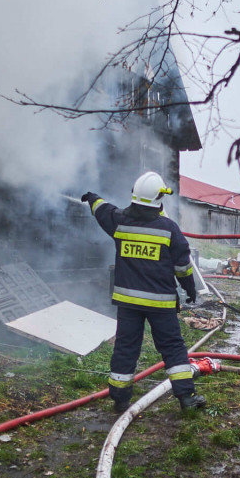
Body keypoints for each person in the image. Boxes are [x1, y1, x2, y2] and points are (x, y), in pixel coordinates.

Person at [81, 171, 206, 412]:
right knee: (172, 348)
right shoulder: (169, 229)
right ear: (159, 198)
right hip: (161, 305)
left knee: (125, 348)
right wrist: (190, 289)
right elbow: (182, 266)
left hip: (128, 303)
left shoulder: (119, 221)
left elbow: (103, 210)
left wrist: (92, 198)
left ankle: (120, 399)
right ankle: (187, 398)